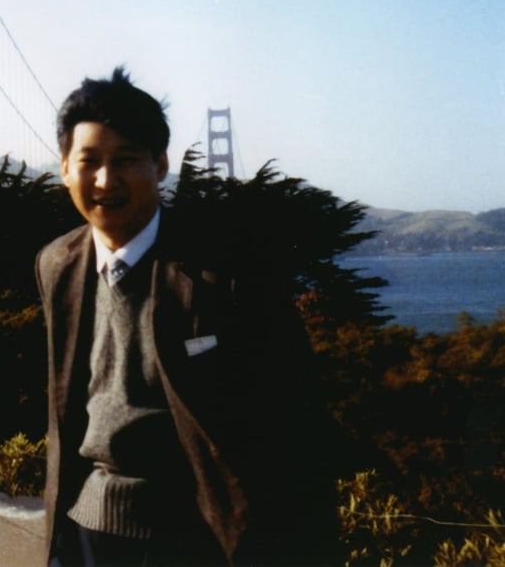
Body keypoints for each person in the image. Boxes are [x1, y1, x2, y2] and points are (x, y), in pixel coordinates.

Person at [35, 68, 336, 566]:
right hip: (83, 532)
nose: (106, 181)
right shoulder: (56, 264)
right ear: (65, 167)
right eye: (89, 162)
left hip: (198, 539)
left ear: (160, 165)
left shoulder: (229, 274)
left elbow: (297, 423)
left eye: (127, 160)